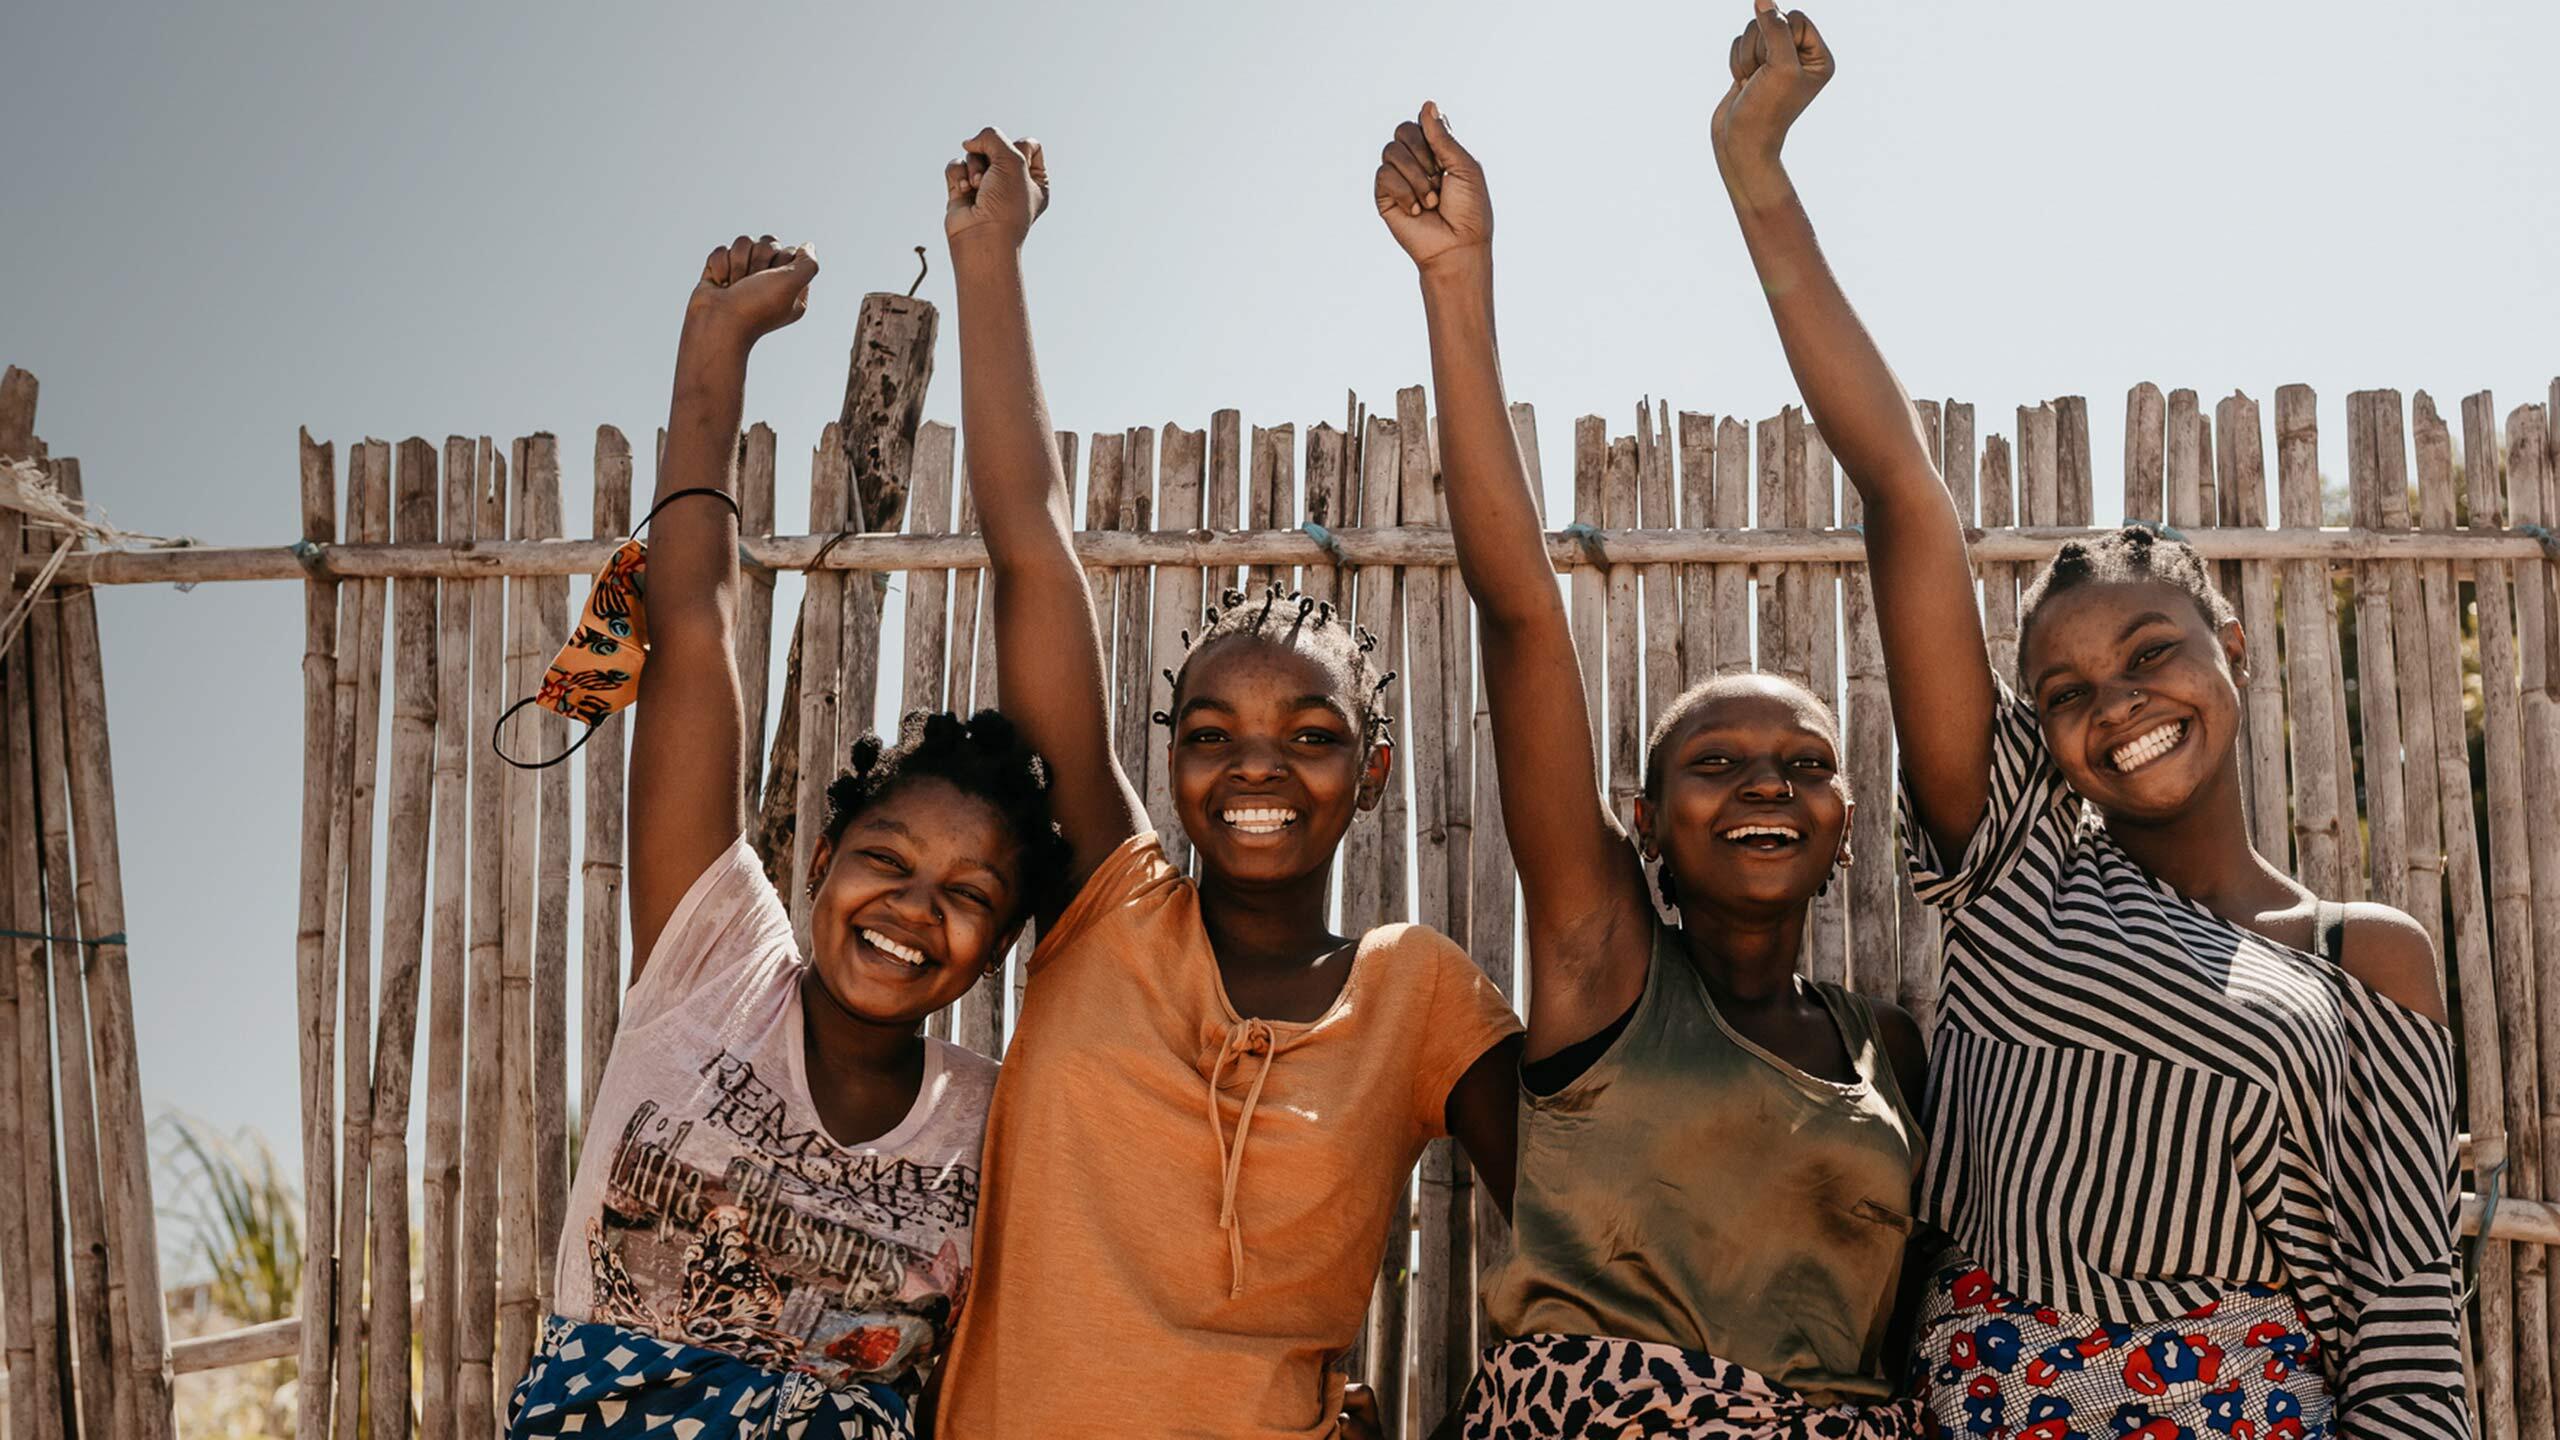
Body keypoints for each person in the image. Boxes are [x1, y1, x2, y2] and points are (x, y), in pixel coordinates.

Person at [1711, 6, 2469, 1436]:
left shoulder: (2366, 953)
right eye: (2062, 696)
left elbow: (2405, 1299)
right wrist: (1756, 165)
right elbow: (1901, 497)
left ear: (2229, 647)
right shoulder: (2016, 870)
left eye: (2148, 656)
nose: (2116, 709)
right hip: (1995, 1405)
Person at [931, 126, 1524, 1440]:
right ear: (1171, 761)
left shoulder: (1419, 998)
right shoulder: (1105, 907)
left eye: (1309, 735)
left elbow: (1586, 1249)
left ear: (1370, 772)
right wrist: (990, 255)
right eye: (1215, 733)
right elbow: (1032, 549)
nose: (1258, 765)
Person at [1374, 92, 1929, 1440]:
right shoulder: (1602, 961)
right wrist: (1459, 279)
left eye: (1802, 765)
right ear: (1644, 821)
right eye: (1717, 762)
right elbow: (1518, 614)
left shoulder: (1891, 1054)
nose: (1762, 783)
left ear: (1844, 826)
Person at [506, 235, 1071, 1440]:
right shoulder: (714, 977)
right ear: (818, 864)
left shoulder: (999, 1120)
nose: (916, 906)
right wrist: (713, 354)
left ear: (1006, 941)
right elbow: (696, 636)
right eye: (887, 860)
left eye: (970, 893)